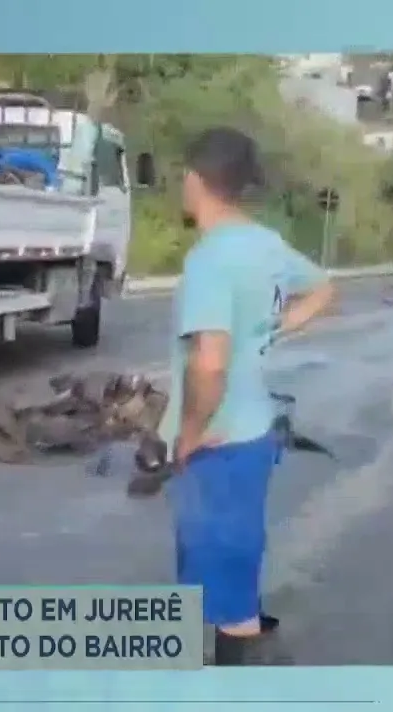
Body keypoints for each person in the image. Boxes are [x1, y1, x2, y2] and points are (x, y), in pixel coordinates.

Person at [159, 127, 336, 665]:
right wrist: (273, 328)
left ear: (195, 179)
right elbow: (324, 287)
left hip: (219, 442)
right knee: (221, 575)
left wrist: (188, 435)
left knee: (224, 592)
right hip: (253, 432)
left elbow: (208, 362)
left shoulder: (211, 259)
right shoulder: (266, 244)